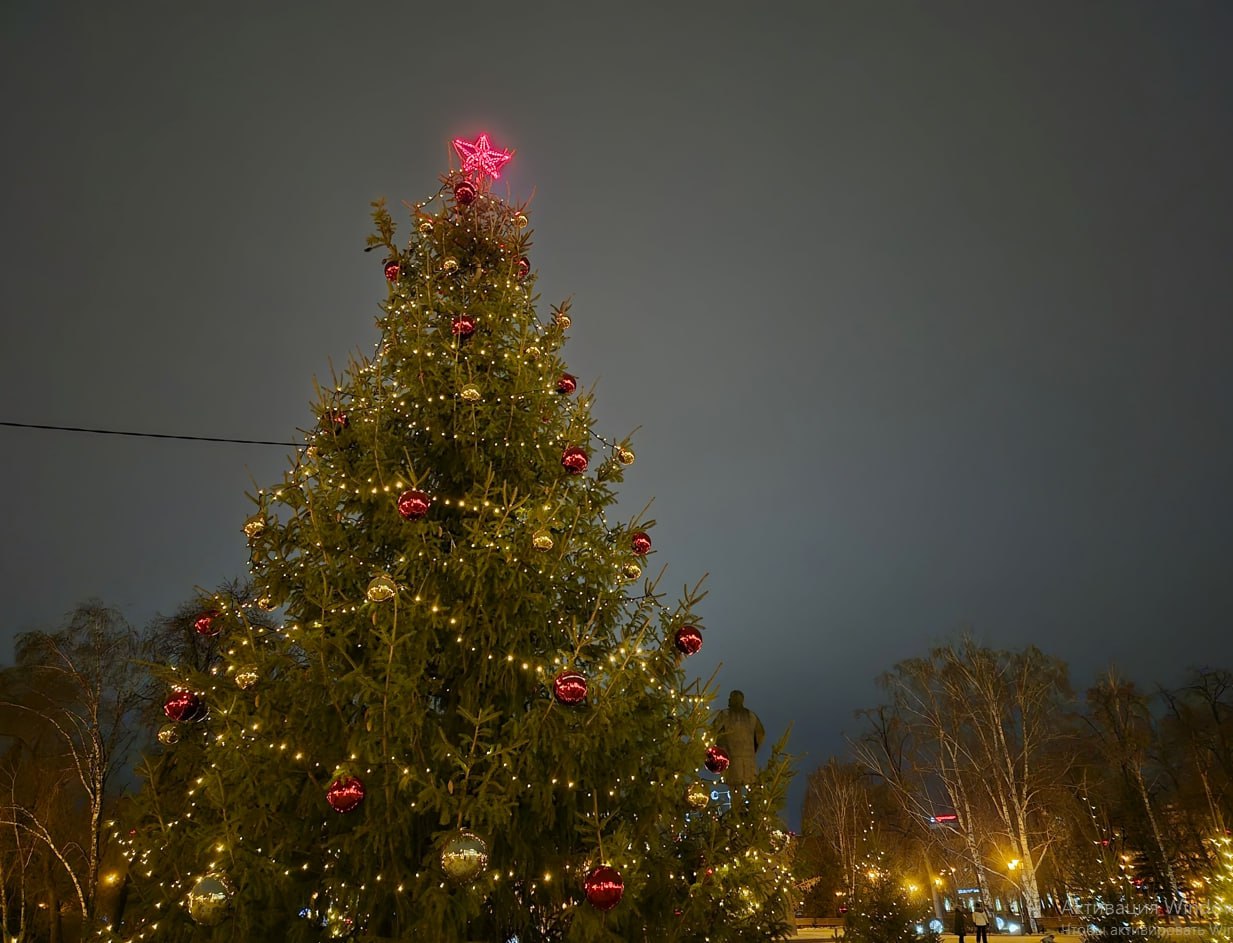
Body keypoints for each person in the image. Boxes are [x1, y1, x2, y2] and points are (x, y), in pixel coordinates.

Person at [712, 690, 765, 788]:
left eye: (730, 698)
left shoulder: (725, 714)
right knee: (750, 789)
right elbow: (760, 735)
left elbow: (712, 731)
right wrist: (753, 748)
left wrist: (719, 746)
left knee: (734, 788)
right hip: (749, 762)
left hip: (731, 760)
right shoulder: (751, 716)